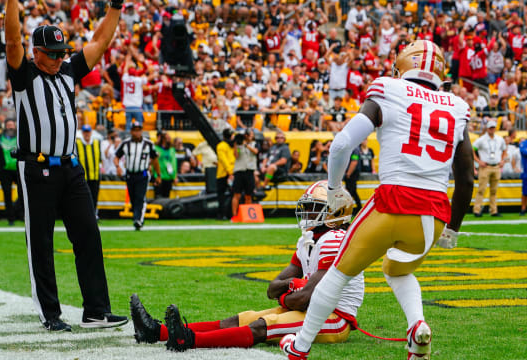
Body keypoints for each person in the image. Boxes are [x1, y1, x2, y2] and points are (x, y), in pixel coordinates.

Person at [280, 40, 474, 360]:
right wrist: (453, 228)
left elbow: (342, 144)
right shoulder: (456, 105)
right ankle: (416, 326)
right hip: (435, 213)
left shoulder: (388, 88)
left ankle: (300, 345)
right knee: (397, 270)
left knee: (339, 273)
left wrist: (333, 188)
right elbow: (466, 178)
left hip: (393, 199)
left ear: (402, 67)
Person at [5, 0, 128, 330]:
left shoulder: (68, 71)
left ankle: (96, 310)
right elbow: (12, 41)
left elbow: (101, 42)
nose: (60, 58)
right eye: (54, 53)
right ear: (37, 52)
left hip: (71, 168)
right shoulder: (24, 74)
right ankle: (50, 313)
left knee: (89, 234)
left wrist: (116, 6)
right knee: (41, 243)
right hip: (37, 167)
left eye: (63, 52)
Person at [130, 180, 363, 351]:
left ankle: (188, 340)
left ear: (335, 212)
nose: (308, 212)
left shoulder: (336, 241)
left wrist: (287, 294)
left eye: (315, 207)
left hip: (334, 318)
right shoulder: (308, 240)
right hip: (311, 309)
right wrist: (291, 287)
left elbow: (302, 299)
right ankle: (156, 332)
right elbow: (272, 289)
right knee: (243, 318)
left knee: (261, 326)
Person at [114, 121, 161, 230]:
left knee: (140, 197)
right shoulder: (125, 143)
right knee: (133, 198)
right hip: (130, 174)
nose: (137, 133)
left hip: (142, 174)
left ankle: (137, 220)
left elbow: (155, 160)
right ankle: (138, 218)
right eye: (135, 130)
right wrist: (118, 166)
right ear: (131, 131)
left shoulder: (148, 144)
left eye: (139, 130)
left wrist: (158, 175)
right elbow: (116, 156)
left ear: (141, 131)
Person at [0, 119, 22, 225]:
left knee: (23, 193)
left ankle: (18, 212)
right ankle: (11, 218)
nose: (11, 127)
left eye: (12, 125)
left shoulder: (20, 138)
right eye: (8, 125)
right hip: (4, 171)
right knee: (7, 194)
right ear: (5, 127)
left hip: (18, 169)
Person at [472, 120, 507, 217]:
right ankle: (477, 209)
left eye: (493, 128)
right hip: (485, 166)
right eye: (490, 128)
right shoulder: (481, 139)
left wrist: (502, 160)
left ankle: (494, 210)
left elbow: (504, 150)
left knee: (494, 190)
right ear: (487, 128)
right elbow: (472, 150)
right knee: (481, 189)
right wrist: (479, 161)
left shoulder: (500, 139)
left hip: (496, 166)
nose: (492, 129)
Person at [231, 128, 258, 219]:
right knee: (237, 194)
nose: (247, 137)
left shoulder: (255, 144)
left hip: (249, 171)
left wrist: (245, 145)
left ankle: (248, 215)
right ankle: (234, 215)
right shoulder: (239, 145)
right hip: (239, 170)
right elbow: (236, 156)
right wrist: (236, 145)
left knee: (248, 194)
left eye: (249, 135)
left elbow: (255, 152)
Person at [75, 124, 102, 214]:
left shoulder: (97, 143)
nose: (86, 134)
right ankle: (84, 214)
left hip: (95, 175)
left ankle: (94, 214)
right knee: (83, 198)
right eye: (85, 132)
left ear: (91, 132)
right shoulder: (77, 144)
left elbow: (102, 158)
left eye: (88, 132)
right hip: (83, 176)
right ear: (82, 133)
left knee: (94, 196)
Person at [216, 128, 235, 220]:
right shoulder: (221, 146)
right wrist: (230, 172)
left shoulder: (233, 146)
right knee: (222, 196)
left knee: (233, 195)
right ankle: (222, 214)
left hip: (232, 172)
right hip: (224, 174)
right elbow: (224, 160)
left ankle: (230, 213)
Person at [153, 131, 177, 198]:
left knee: (167, 197)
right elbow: (154, 162)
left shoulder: (172, 149)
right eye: (167, 137)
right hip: (159, 177)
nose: (169, 139)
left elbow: (174, 163)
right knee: (158, 198)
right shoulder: (156, 148)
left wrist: (174, 176)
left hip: (169, 177)